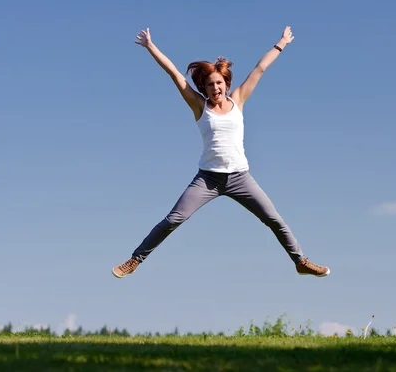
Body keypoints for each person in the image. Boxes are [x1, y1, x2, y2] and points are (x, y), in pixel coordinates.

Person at [112, 26, 330, 279]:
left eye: (219, 83)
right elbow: (174, 73)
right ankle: (135, 259)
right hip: (208, 179)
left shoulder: (239, 99)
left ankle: (300, 261)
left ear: (226, 83)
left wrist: (281, 43)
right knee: (173, 219)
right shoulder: (199, 105)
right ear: (203, 88)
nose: (215, 88)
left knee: (274, 219)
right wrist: (151, 46)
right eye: (210, 85)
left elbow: (259, 69)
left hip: (240, 177)